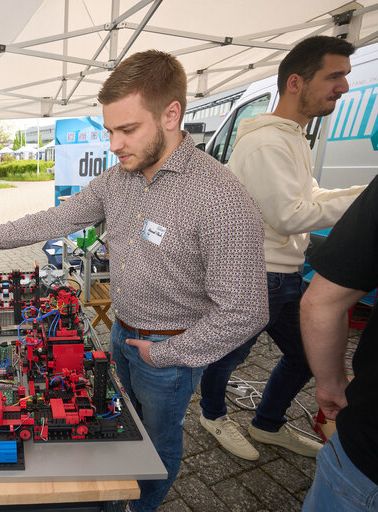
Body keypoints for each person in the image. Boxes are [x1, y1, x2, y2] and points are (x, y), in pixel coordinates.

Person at [0, 50, 268, 512]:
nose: (113, 144)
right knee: (117, 426)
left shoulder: (220, 197)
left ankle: (139, 506)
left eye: (127, 130)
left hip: (168, 352)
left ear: (172, 115)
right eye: (109, 130)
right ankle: (112, 498)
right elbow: (57, 217)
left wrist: (166, 353)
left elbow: (247, 309)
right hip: (122, 334)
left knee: (157, 444)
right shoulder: (120, 178)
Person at [197, 35, 366, 462]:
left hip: (286, 274)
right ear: (295, 82)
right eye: (334, 76)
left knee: (307, 355)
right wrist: (370, 201)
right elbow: (292, 215)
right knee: (229, 356)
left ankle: (267, 423)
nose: (343, 87)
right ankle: (212, 415)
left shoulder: (292, 136)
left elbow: (310, 196)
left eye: (345, 76)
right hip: (259, 275)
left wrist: (364, 195)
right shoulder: (266, 143)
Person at [300, 175, 377, 512]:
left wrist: (331, 386)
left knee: (294, 356)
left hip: (367, 454)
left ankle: (264, 422)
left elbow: (321, 304)